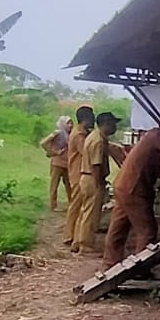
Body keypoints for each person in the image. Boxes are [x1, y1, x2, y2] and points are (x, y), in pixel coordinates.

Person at [103, 114, 160, 266]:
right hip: (134, 188)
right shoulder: (157, 135)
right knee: (147, 230)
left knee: (119, 227)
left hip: (124, 185)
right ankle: (140, 268)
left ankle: (110, 263)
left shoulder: (154, 137)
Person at [71, 112, 119, 254]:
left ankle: (77, 241)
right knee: (91, 214)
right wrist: (99, 183)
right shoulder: (97, 140)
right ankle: (85, 245)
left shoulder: (95, 137)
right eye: (113, 124)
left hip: (87, 177)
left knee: (85, 212)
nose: (115, 127)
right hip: (92, 178)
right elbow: (96, 164)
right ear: (106, 124)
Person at [60, 106, 95, 249]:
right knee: (76, 206)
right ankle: (70, 236)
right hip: (78, 173)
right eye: (92, 117)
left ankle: (71, 236)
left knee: (76, 206)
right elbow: (86, 152)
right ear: (86, 119)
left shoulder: (80, 133)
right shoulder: (80, 135)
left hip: (76, 173)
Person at [41, 115, 72, 211]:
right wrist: (54, 152)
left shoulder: (71, 135)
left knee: (69, 185)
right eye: (68, 123)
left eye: (71, 123)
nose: (70, 125)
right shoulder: (57, 133)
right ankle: (53, 205)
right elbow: (43, 143)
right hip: (57, 164)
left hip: (67, 164)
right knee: (54, 185)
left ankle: (72, 204)